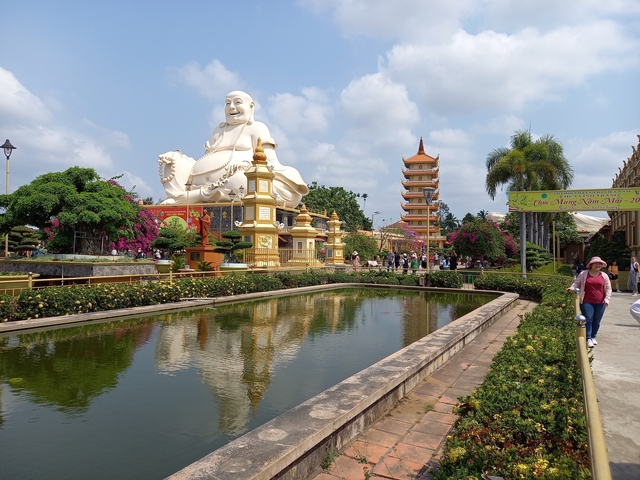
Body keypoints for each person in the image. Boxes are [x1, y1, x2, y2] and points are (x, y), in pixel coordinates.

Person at [158, 91, 309, 208]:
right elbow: (205, 159)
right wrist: (179, 159)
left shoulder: (256, 128)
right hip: (204, 180)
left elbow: (270, 161)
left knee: (252, 181)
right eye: (227, 103)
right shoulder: (218, 130)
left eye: (237, 103)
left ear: (251, 107)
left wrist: (245, 166)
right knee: (174, 160)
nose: (232, 107)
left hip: (237, 177)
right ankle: (179, 195)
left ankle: (193, 196)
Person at [567, 256, 612, 348]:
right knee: (588, 319)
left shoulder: (604, 275)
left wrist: (607, 299)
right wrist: (572, 288)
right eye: (596, 263)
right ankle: (588, 338)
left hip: (600, 302)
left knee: (597, 321)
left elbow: (608, 288)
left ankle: (593, 336)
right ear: (591, 265)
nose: (598, 265)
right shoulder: (584, 274)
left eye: (600, 264)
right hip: (587, 301)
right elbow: (577, 283)